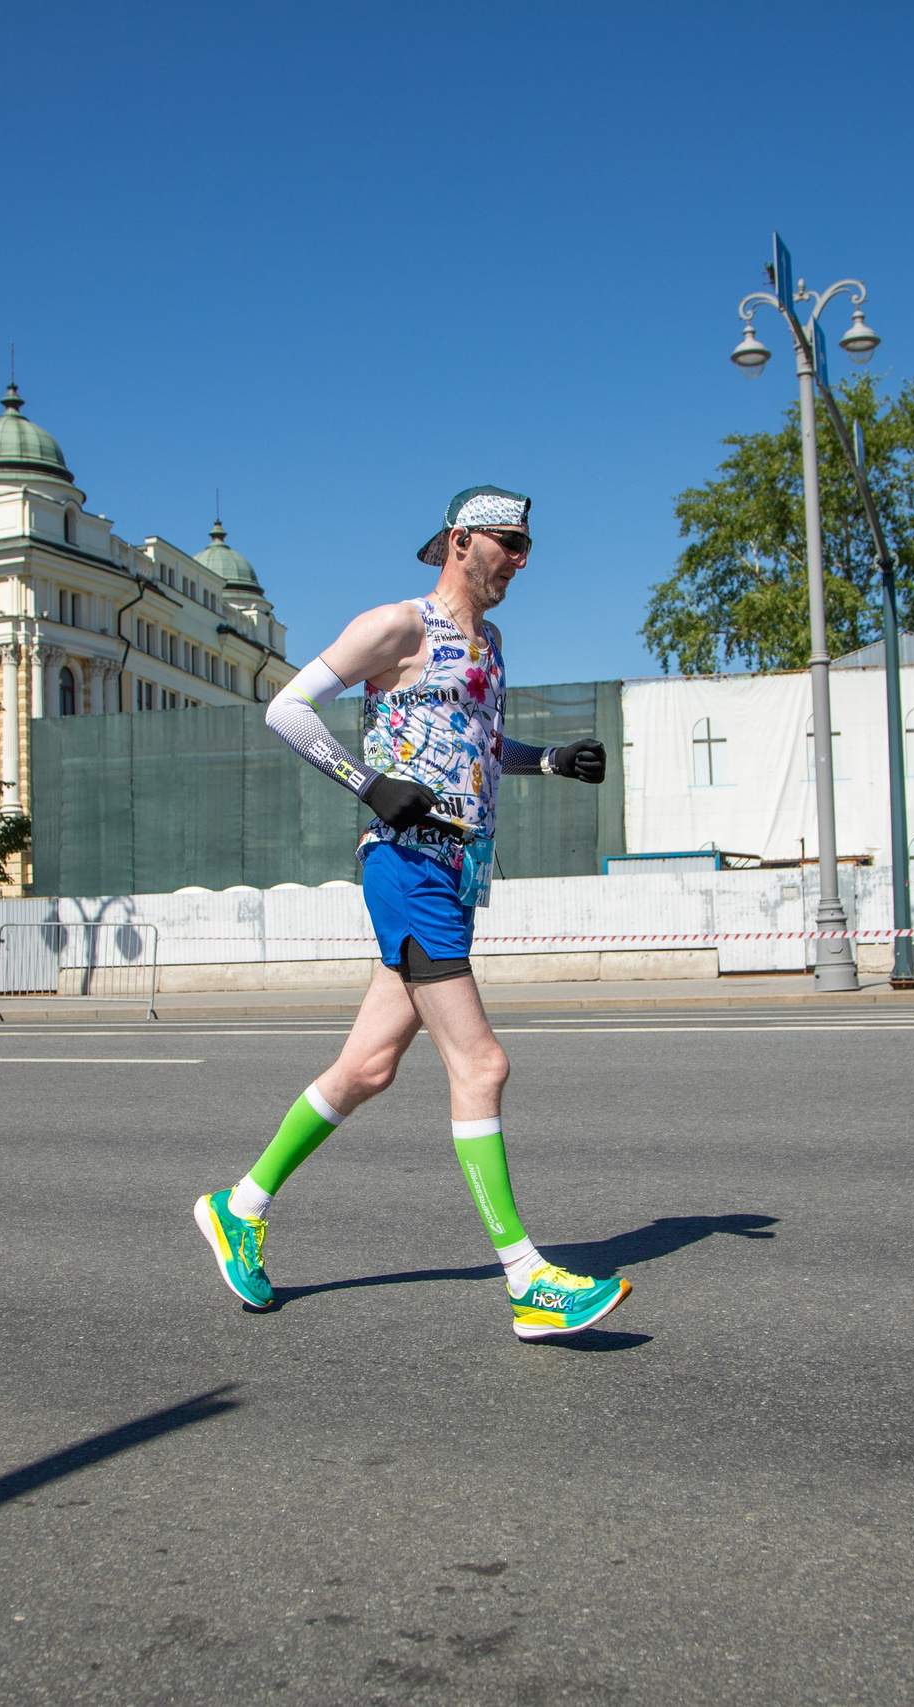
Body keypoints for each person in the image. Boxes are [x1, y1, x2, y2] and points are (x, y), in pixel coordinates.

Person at [192, 485, 626, 1340]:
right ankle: (526, 1278)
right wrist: (371, 786)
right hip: (405, 867)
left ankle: (238, 1207)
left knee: (367, 1069)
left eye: (528, 546)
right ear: (461, 541)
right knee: (483, 1063)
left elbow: (482, 742)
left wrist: (550, 762)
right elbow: (287, 707)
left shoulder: (490, 644)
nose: (522, 560)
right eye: (509, 542)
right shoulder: (398, 626)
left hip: (458, 874)